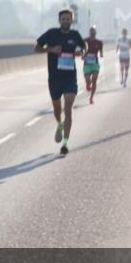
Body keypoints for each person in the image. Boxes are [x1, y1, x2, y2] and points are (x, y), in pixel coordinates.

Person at [35, 8, 85, 155]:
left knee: (68, 108)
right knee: (57, 110)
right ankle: (60, 124)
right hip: (55, 78)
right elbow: (36, 47)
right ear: (59, 20)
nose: (65, 21)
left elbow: (84, 47)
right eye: (63, 19)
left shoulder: (75, 35)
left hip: (70, 78)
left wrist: (81, 52)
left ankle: (65, 143)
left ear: (72, 20)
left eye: (68, 19)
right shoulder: (52, 33)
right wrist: (51, 49)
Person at [82, 26, 103, 104]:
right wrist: (82, 55)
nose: (92, 32)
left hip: (95, 63)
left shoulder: (99, 42)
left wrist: (101, 54)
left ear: (96, 32)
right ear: (89, 32)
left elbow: (101, 52)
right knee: (88, 80)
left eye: (93, 31)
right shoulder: (85, 41)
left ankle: (91, 98)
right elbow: (81, 50)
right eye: (91, 31)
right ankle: (88, 84)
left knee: (94, 80)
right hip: (87, 64)